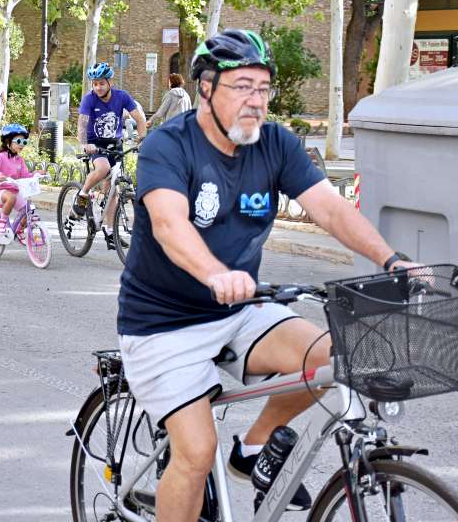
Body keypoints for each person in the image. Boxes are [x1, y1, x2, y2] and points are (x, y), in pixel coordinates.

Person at [117, 29, 416, 522]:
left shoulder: (275, 144)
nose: (256, 101)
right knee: (193, 452)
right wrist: (215, 273)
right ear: (207, 89)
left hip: (240, 312)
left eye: (263, 88)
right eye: (242, 87)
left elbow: (331, 210)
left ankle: (251, 451)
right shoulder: (168, 146)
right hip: (162, 325)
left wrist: (391, 260)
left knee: (337, 355)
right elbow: (170, 226)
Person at [69, 62, 149, 248]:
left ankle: (110, 231)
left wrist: (143, 137)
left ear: (109, 82)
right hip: (95, 145)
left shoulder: (122, 97)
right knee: (103, 168)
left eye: (101, 83)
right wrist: (84, 144)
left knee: (113, 189)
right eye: (95, 84)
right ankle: (82, 195)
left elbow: (139, 118)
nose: (98, 87)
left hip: (116, 145)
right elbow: (82, 123)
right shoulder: (89, 100)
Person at [0, 123, 37, 241]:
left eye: (24, 142)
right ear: (8, 141)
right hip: (0, 192)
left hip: (14, 191)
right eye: (19, 141)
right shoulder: (0, 157)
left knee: (28, 209)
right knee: (11, 198)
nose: (22, 145)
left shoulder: (19, 160)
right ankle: (2, 223)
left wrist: (36, 174)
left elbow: (25, 175)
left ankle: (19, 229)